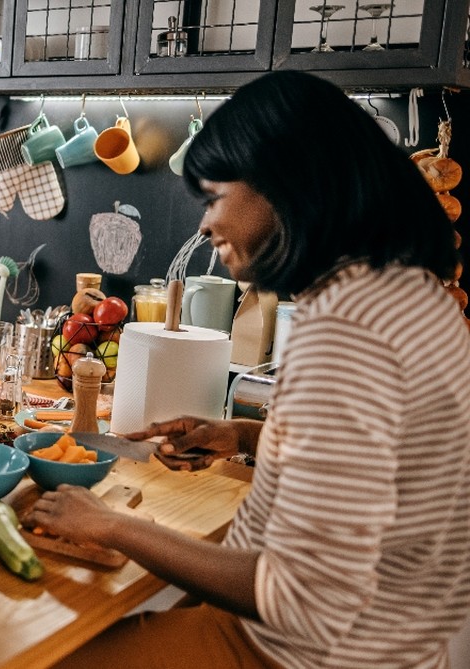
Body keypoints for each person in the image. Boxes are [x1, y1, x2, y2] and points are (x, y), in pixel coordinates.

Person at [32, 70, 470, 669]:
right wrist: (247, 436)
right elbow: (386, 463)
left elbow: (305, 600)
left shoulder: (348, 327)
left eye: (214, 197)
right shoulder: (409, 293)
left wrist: (110, 527)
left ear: (286, 187)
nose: (206, 224)